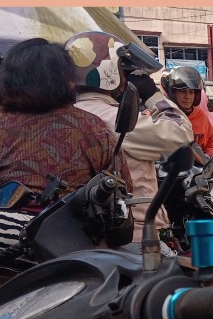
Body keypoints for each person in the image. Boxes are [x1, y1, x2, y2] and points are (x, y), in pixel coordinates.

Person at [0, 38, 132, 319]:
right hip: (71, 255)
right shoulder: (93, 128)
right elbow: (120, 197)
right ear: (67, 80)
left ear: (9, 79)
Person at [66, 31, 194, 229]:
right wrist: (153, 95)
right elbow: (181, 134)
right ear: (111, 74)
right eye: (123, 71)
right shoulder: (114, 118)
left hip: (82, 232)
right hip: (134, 231)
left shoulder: (66, 115)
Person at [162, 66, 213, 161]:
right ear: (172, 93)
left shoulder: (200, 116)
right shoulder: (159, 115)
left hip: (196, 172)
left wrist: (207, 158)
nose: (188, 97)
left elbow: (211, 143)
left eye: (191, 92)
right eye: (182, 92)